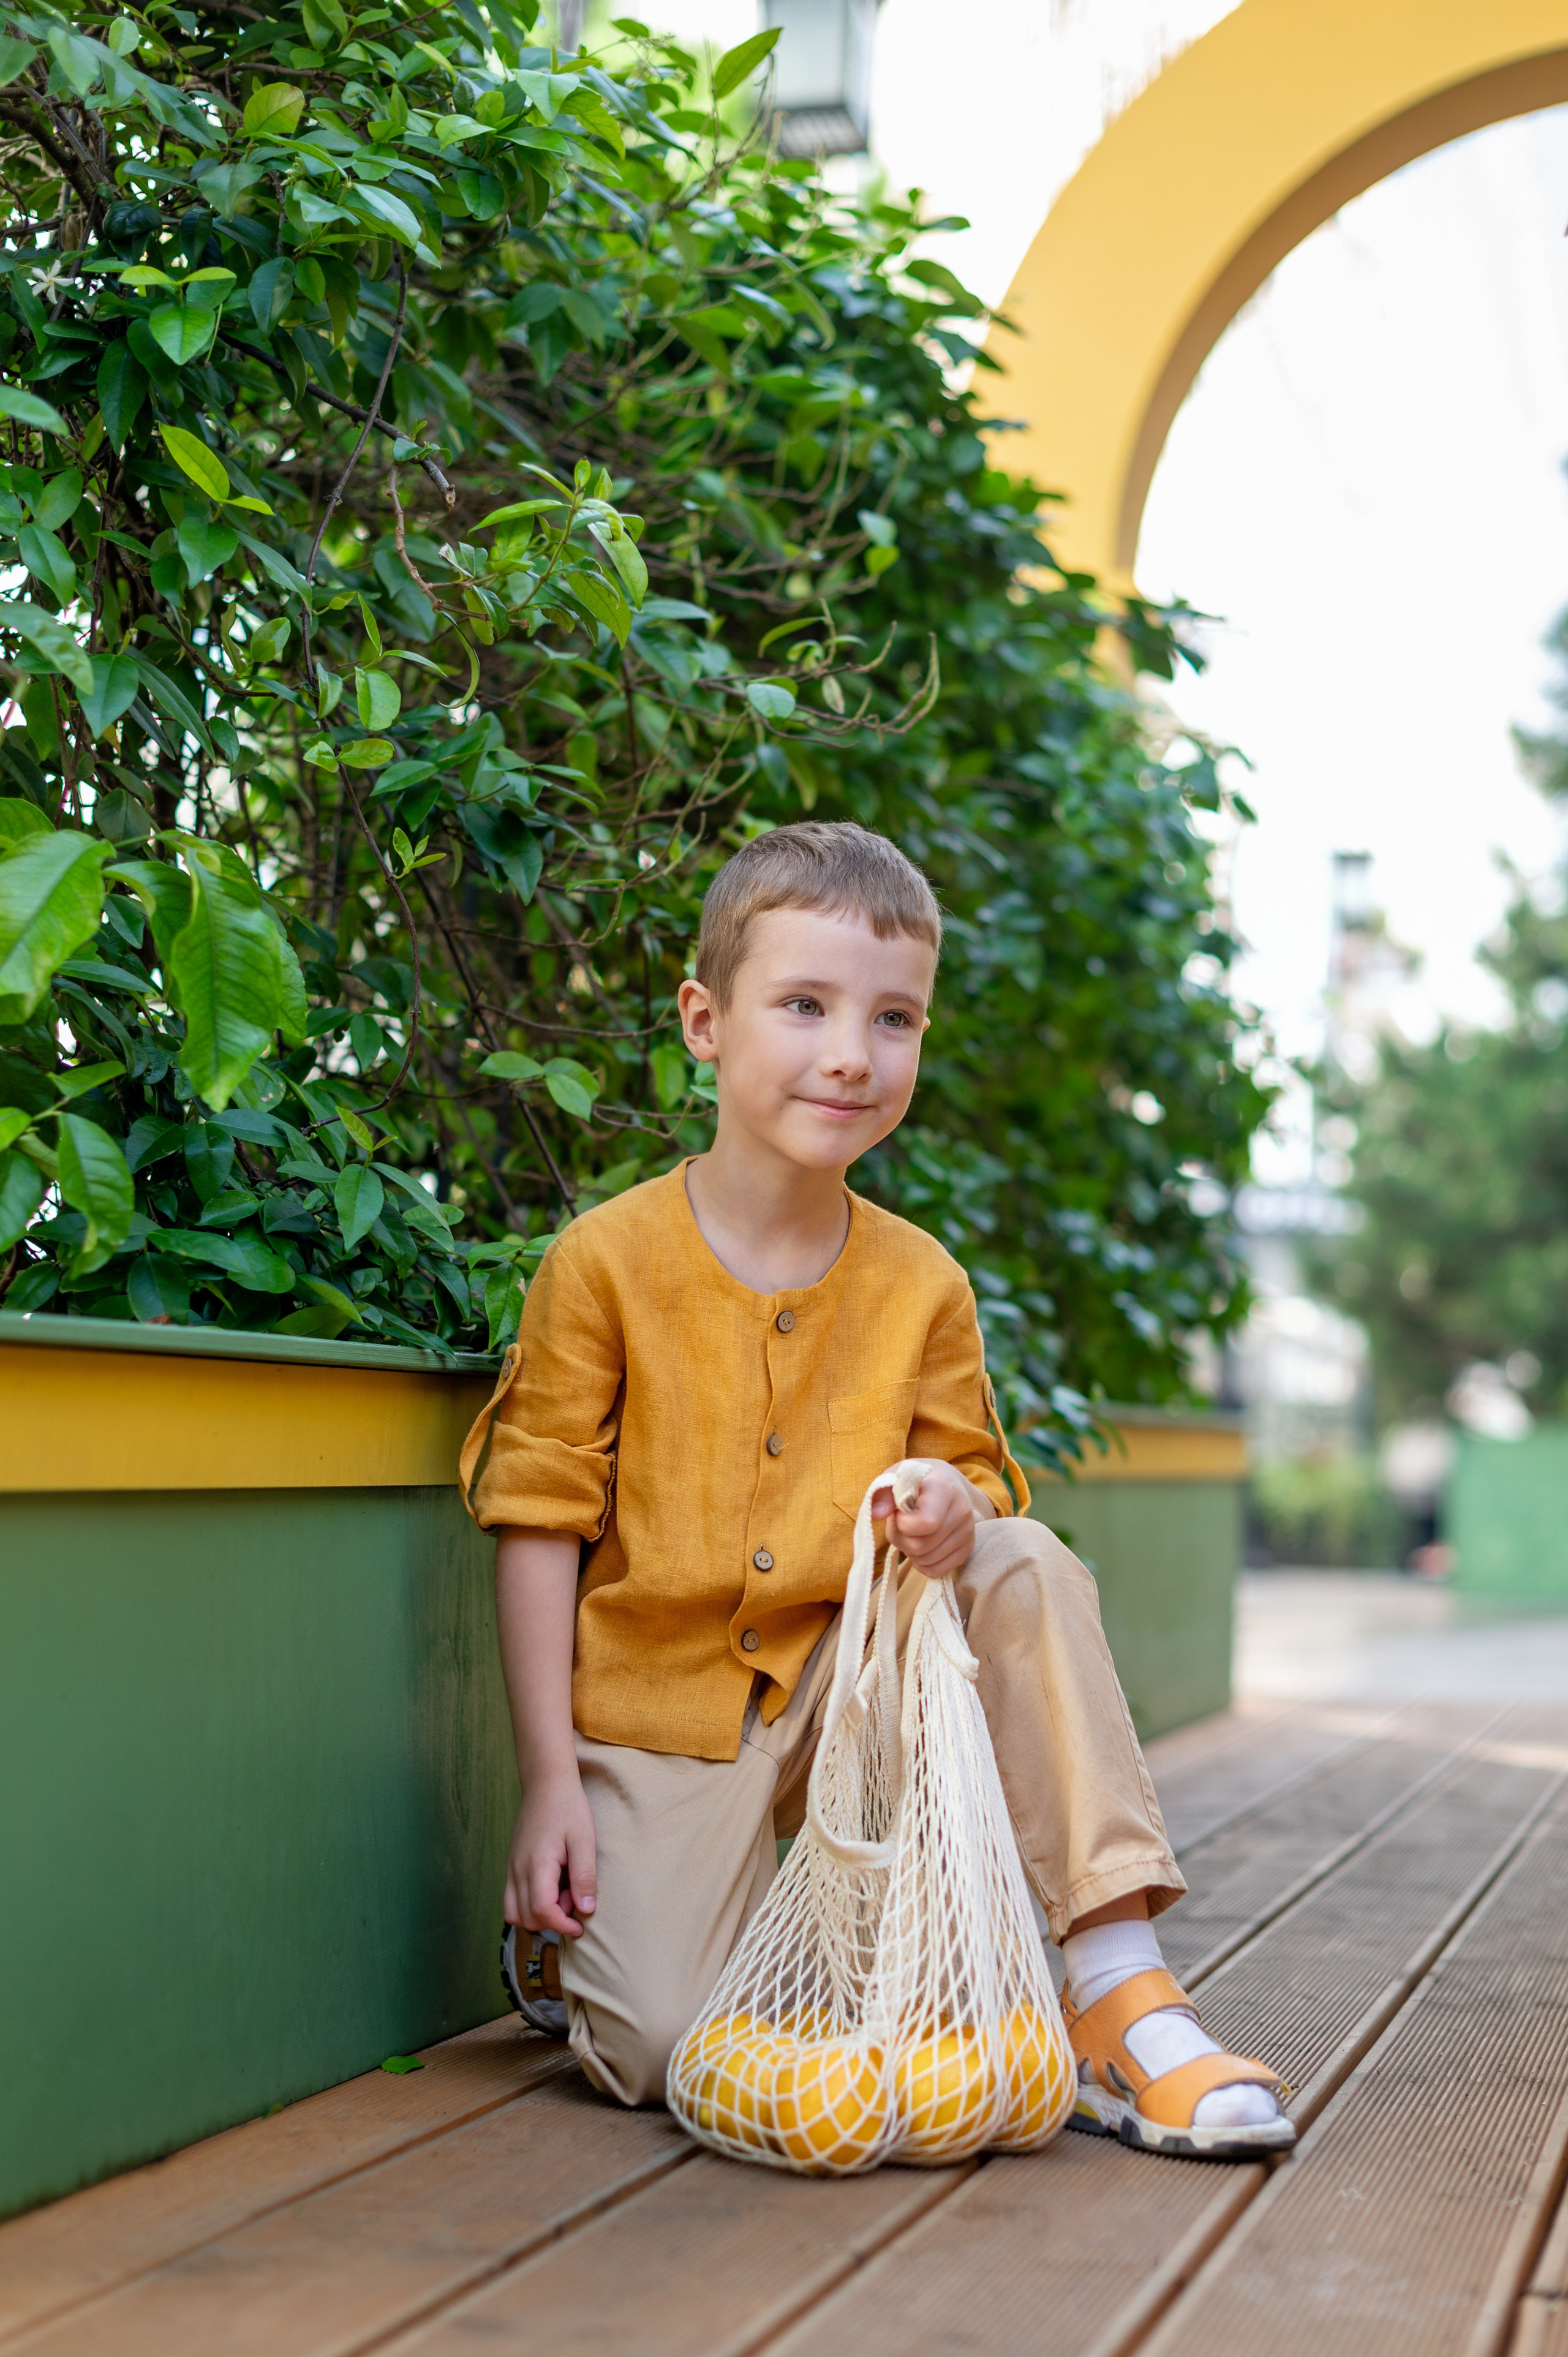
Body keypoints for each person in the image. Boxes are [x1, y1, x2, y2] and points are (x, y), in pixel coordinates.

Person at [459, 821, 1292, 2161]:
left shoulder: (923, 1284)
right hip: (669, 1719)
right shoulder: (601, 1262)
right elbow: (537, 1514)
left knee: (1019, 1556)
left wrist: (953, 1508)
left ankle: (1115, 1992)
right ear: (703, 1021)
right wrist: (550, 1779)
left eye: (892, 1017)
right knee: (665, 2043)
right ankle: (599, 1962)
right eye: (804, 1004)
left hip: (866, 1693)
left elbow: (971, 1483)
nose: (852, 1052)